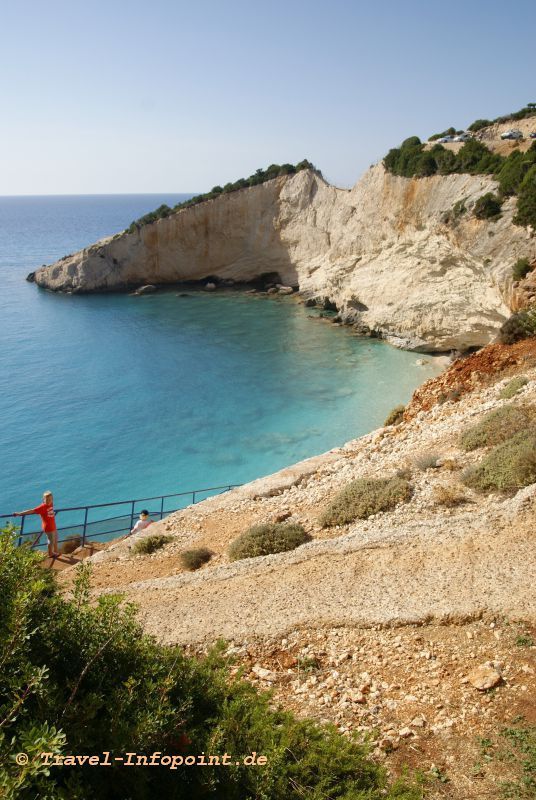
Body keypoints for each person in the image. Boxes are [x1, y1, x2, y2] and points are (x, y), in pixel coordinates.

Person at [14, 490, 59, 559]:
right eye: (47, 500)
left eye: (51, 499)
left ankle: (55, 551)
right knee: (51, 540)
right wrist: (20, 513)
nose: (49, 501)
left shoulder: (51, 504)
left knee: (55, 538)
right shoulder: (42, 507)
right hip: (48, 527)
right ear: (43, 500)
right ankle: (50, 553)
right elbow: (31, 511)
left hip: (53, 525)